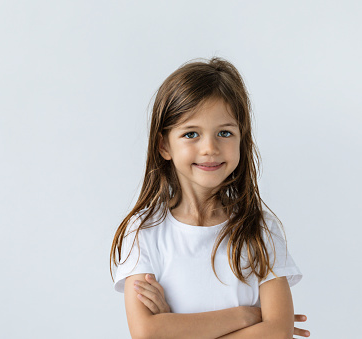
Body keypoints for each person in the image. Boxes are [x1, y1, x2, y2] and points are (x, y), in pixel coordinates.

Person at [110, 57, 310, 338]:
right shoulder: (144, 231)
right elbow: (147, 333)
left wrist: (176, 328)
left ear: (242, 139)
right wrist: (246, 316)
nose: (210, 148)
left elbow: (277, 332)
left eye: (224, 133)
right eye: (191, 134)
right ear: (164, 145)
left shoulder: (260, 229)